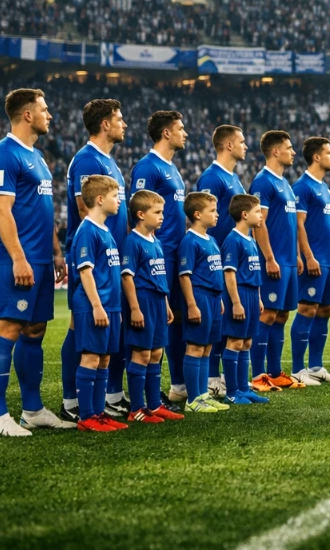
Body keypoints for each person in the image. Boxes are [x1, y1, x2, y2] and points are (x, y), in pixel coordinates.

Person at [0, 88, 71, 437]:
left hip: (41, 260)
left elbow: (43, 212)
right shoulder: (5, 155)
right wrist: (19, 258)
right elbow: (1, 211)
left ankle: (32, 409)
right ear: (27, 115)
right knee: (6, 330)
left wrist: (55, 251)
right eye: (45, 110)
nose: (50, 115)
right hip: (14, 259)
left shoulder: (36, 157)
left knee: (34, 331)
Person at [62, 99, 129, 423]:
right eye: (119, 119)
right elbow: (83, 209)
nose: (123, 124)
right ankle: (73, 400)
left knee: (99, 339)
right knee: (80, 327)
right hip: (95, 262)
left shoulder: (110, 162)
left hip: (110, 261)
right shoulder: (87, 160)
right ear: (105, 124)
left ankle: (99, 402)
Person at [130, 110, 189, 410]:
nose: (185, 133)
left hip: (176, 255)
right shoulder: (148, 167)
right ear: (166, 133)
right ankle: (142, 399)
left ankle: (177, 385)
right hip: (157, 258)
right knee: (159, 324)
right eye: (180, 128)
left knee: (175, 320)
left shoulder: (174, 169)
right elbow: (139, 212)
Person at [68, 175, 127, 433]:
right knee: (91, 358)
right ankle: (86, 416)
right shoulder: (87, 230)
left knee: (104, 359)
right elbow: (85, 272)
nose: (119, 201)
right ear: (100, 199)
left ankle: (99, 413)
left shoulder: (106, 230)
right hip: (94, 305)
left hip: (110, 306)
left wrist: (114, 308)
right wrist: (97, 306)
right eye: (115, 196)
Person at [120, 190, 184, 423]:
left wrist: (166, 303)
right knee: (142, 353)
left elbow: (159, 276)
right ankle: (137, 408)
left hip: (158, 300)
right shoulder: (132, 241)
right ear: (140, 214)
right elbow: (127, 277)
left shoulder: (156, 241)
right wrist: (135, 309)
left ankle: (154, 405)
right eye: (156, 212)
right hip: (143, 300)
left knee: (156, 353)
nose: (162, 217)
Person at [195, 124, 247, 397]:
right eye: (241, 141)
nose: (245, 146)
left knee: (227, 321)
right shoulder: (211, 178)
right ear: (228, 145)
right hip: (214, 259)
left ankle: (224, 376)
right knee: (218, 317)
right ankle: (212, 377)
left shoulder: (235, 179)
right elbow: (202, 218)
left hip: (232, 257)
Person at [249, 131, 303, 390]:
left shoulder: (285, 184)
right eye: (289, 148)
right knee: (267, 314)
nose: (293, 152)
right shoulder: (263, 182)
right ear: (275, 151)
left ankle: (274, 371)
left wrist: (296, 257)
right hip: (274, 260)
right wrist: (269, 258)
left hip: (289, 262)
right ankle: (258, 375)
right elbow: (259, 223)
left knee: (281, 315)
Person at [292, 137, 330, 385]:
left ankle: (315, 365)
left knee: (325, 310)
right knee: (307, 309)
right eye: (329, 152)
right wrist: (308, 255)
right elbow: (298, 224)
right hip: (313, 260)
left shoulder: (325, 188)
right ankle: (297, 368)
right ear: (316, 157)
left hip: (328, 261)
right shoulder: (303, 187)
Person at [176, 192, 230, 413]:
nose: (217, 215)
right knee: (196, 347)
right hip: (199, 297)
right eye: (212, 211)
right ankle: (193, 400)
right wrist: (191, 304)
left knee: (207, 348)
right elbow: (184, 275)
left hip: (214, 298)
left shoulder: (212, 240)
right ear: (197, 214)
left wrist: (220, 298)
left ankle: (204, 395)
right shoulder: (190, 241)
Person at [222, 194, 269, 404]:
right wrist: (236, 302)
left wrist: (258, 298)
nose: (261, 215)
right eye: (257, 211)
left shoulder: (251, 239)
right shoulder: (233, 240)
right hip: (239, 294)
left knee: (247, 342)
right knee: (235, 341)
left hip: (251, 294)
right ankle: (232, 392)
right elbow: (230, 273)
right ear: (244, 214)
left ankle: (243, 388)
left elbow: (254, 273)